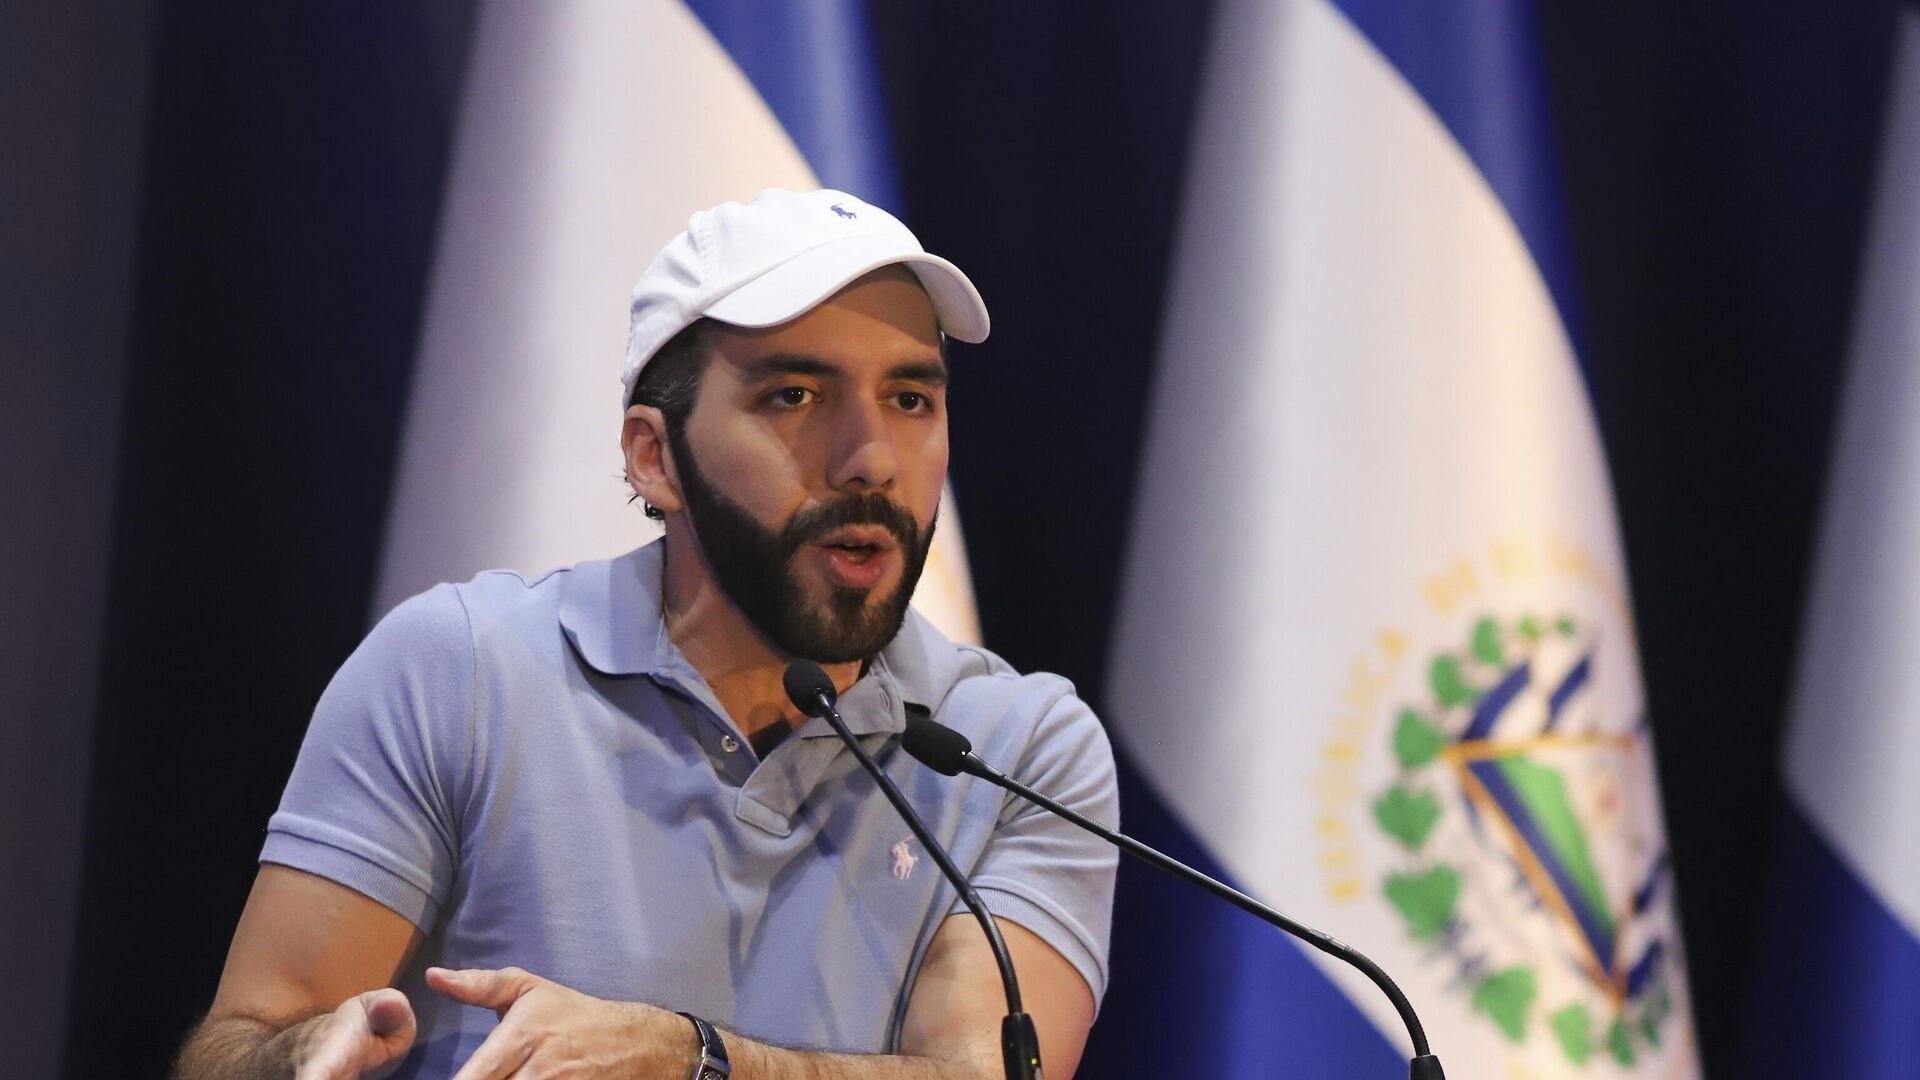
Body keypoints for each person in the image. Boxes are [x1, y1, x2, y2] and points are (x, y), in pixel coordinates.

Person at [174, 188, 1119, 1080]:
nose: (871, 460)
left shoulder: (1014, 749)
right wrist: (297, 1057)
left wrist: (690, 1059)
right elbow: (243, 1042)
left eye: (910, 400)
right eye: (795, 396)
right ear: (654, 456)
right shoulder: (460, 669)